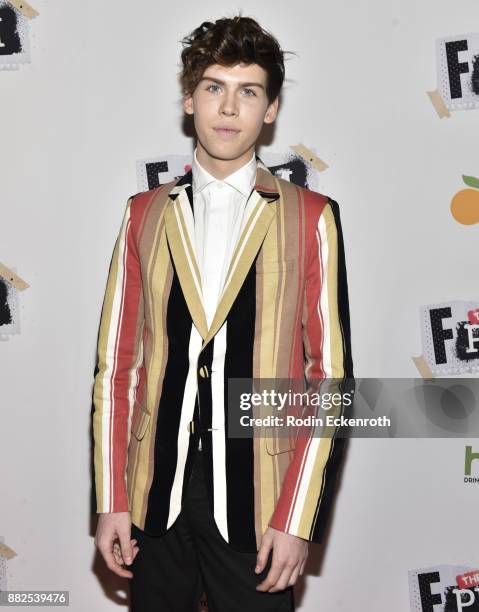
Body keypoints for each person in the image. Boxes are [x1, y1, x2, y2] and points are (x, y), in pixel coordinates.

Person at [92, 13, 353, 612]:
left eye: (248, 92)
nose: (229, 108)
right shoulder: (143, 213)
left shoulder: (311, 216)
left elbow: (330, 378)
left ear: (270, 109)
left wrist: (297, 517)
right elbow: (117, 364)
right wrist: (112, 497)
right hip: (155, 502)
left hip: (259, 509)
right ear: (190, 99)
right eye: (214, 87)